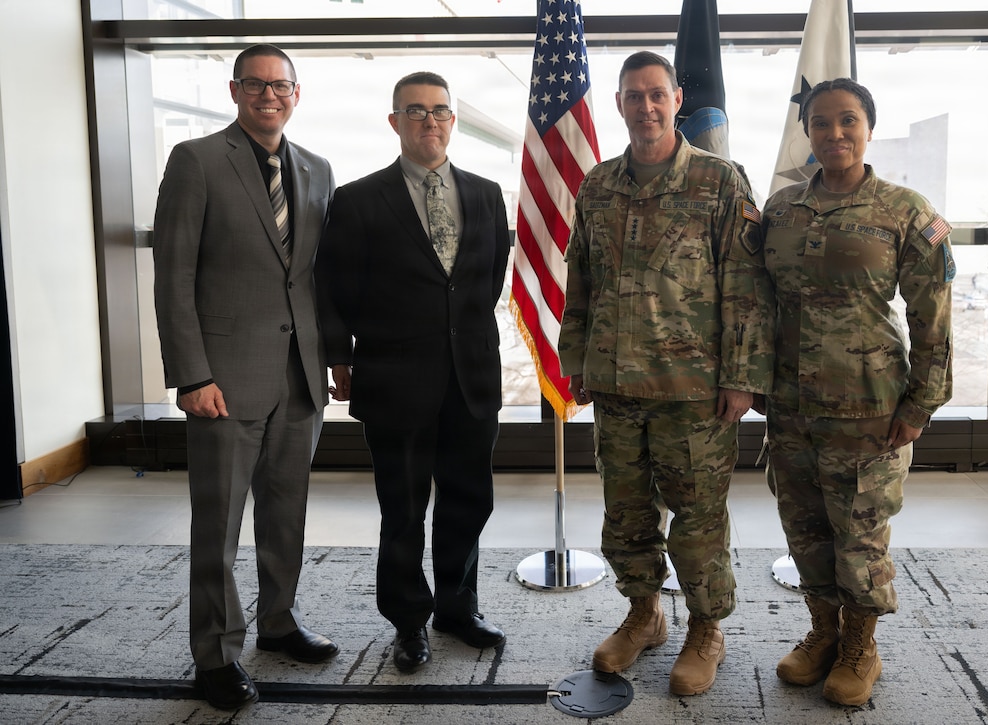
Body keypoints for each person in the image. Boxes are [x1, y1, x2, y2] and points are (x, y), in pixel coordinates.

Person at [558, 51, 774, 697]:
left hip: (694, 393)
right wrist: (577, 360)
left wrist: (742, 377)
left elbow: (745, 288)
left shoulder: (719, 182)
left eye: (657, 94)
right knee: (625, 513)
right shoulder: (597, 185)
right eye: (633, 96)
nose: (646, 107)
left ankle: (706, 626)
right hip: (617, 386)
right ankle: (644, 613)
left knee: (698, 517)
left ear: (678, 99)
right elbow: (581, 282)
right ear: (619, 103)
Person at [153, 44, 338, 710]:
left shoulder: (317, 170)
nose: (268, 95)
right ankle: (215, 654)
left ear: (296, 93)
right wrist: (190, 374)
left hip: (300, 379)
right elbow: (173, 277)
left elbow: (318, 277)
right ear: (234, 91)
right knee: (220, 523)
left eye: (280, 85)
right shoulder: (197, 162)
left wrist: (334, 357)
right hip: (222, 382)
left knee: (286, 517)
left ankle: (279, 622)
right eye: (255, 84)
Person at [762, 78, 954, 707]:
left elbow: (934, 316)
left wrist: (921, 403)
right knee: (807, 532)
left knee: (861, 538)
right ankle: (822, 634)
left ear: (868, 128)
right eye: (821, 123)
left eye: (847, 121)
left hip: (870, 410)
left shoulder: (905, 211)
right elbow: (757, 303)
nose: (834, 134)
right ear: (808, 132)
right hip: (791, 407)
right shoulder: (781, 211)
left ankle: (859, 646)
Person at [316, 71, 509, 674]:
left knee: (469, 501)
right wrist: (339, 358)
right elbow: (335, 286)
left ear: (453, 121)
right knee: (403, 512)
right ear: (394, 121)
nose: (429, 121)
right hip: (395, 381)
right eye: (415, 111)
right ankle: (408, 623)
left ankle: (457, 607)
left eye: (439, 111)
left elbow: (487, 280)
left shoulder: (486, 193)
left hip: (471, 378)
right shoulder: (356, 199)